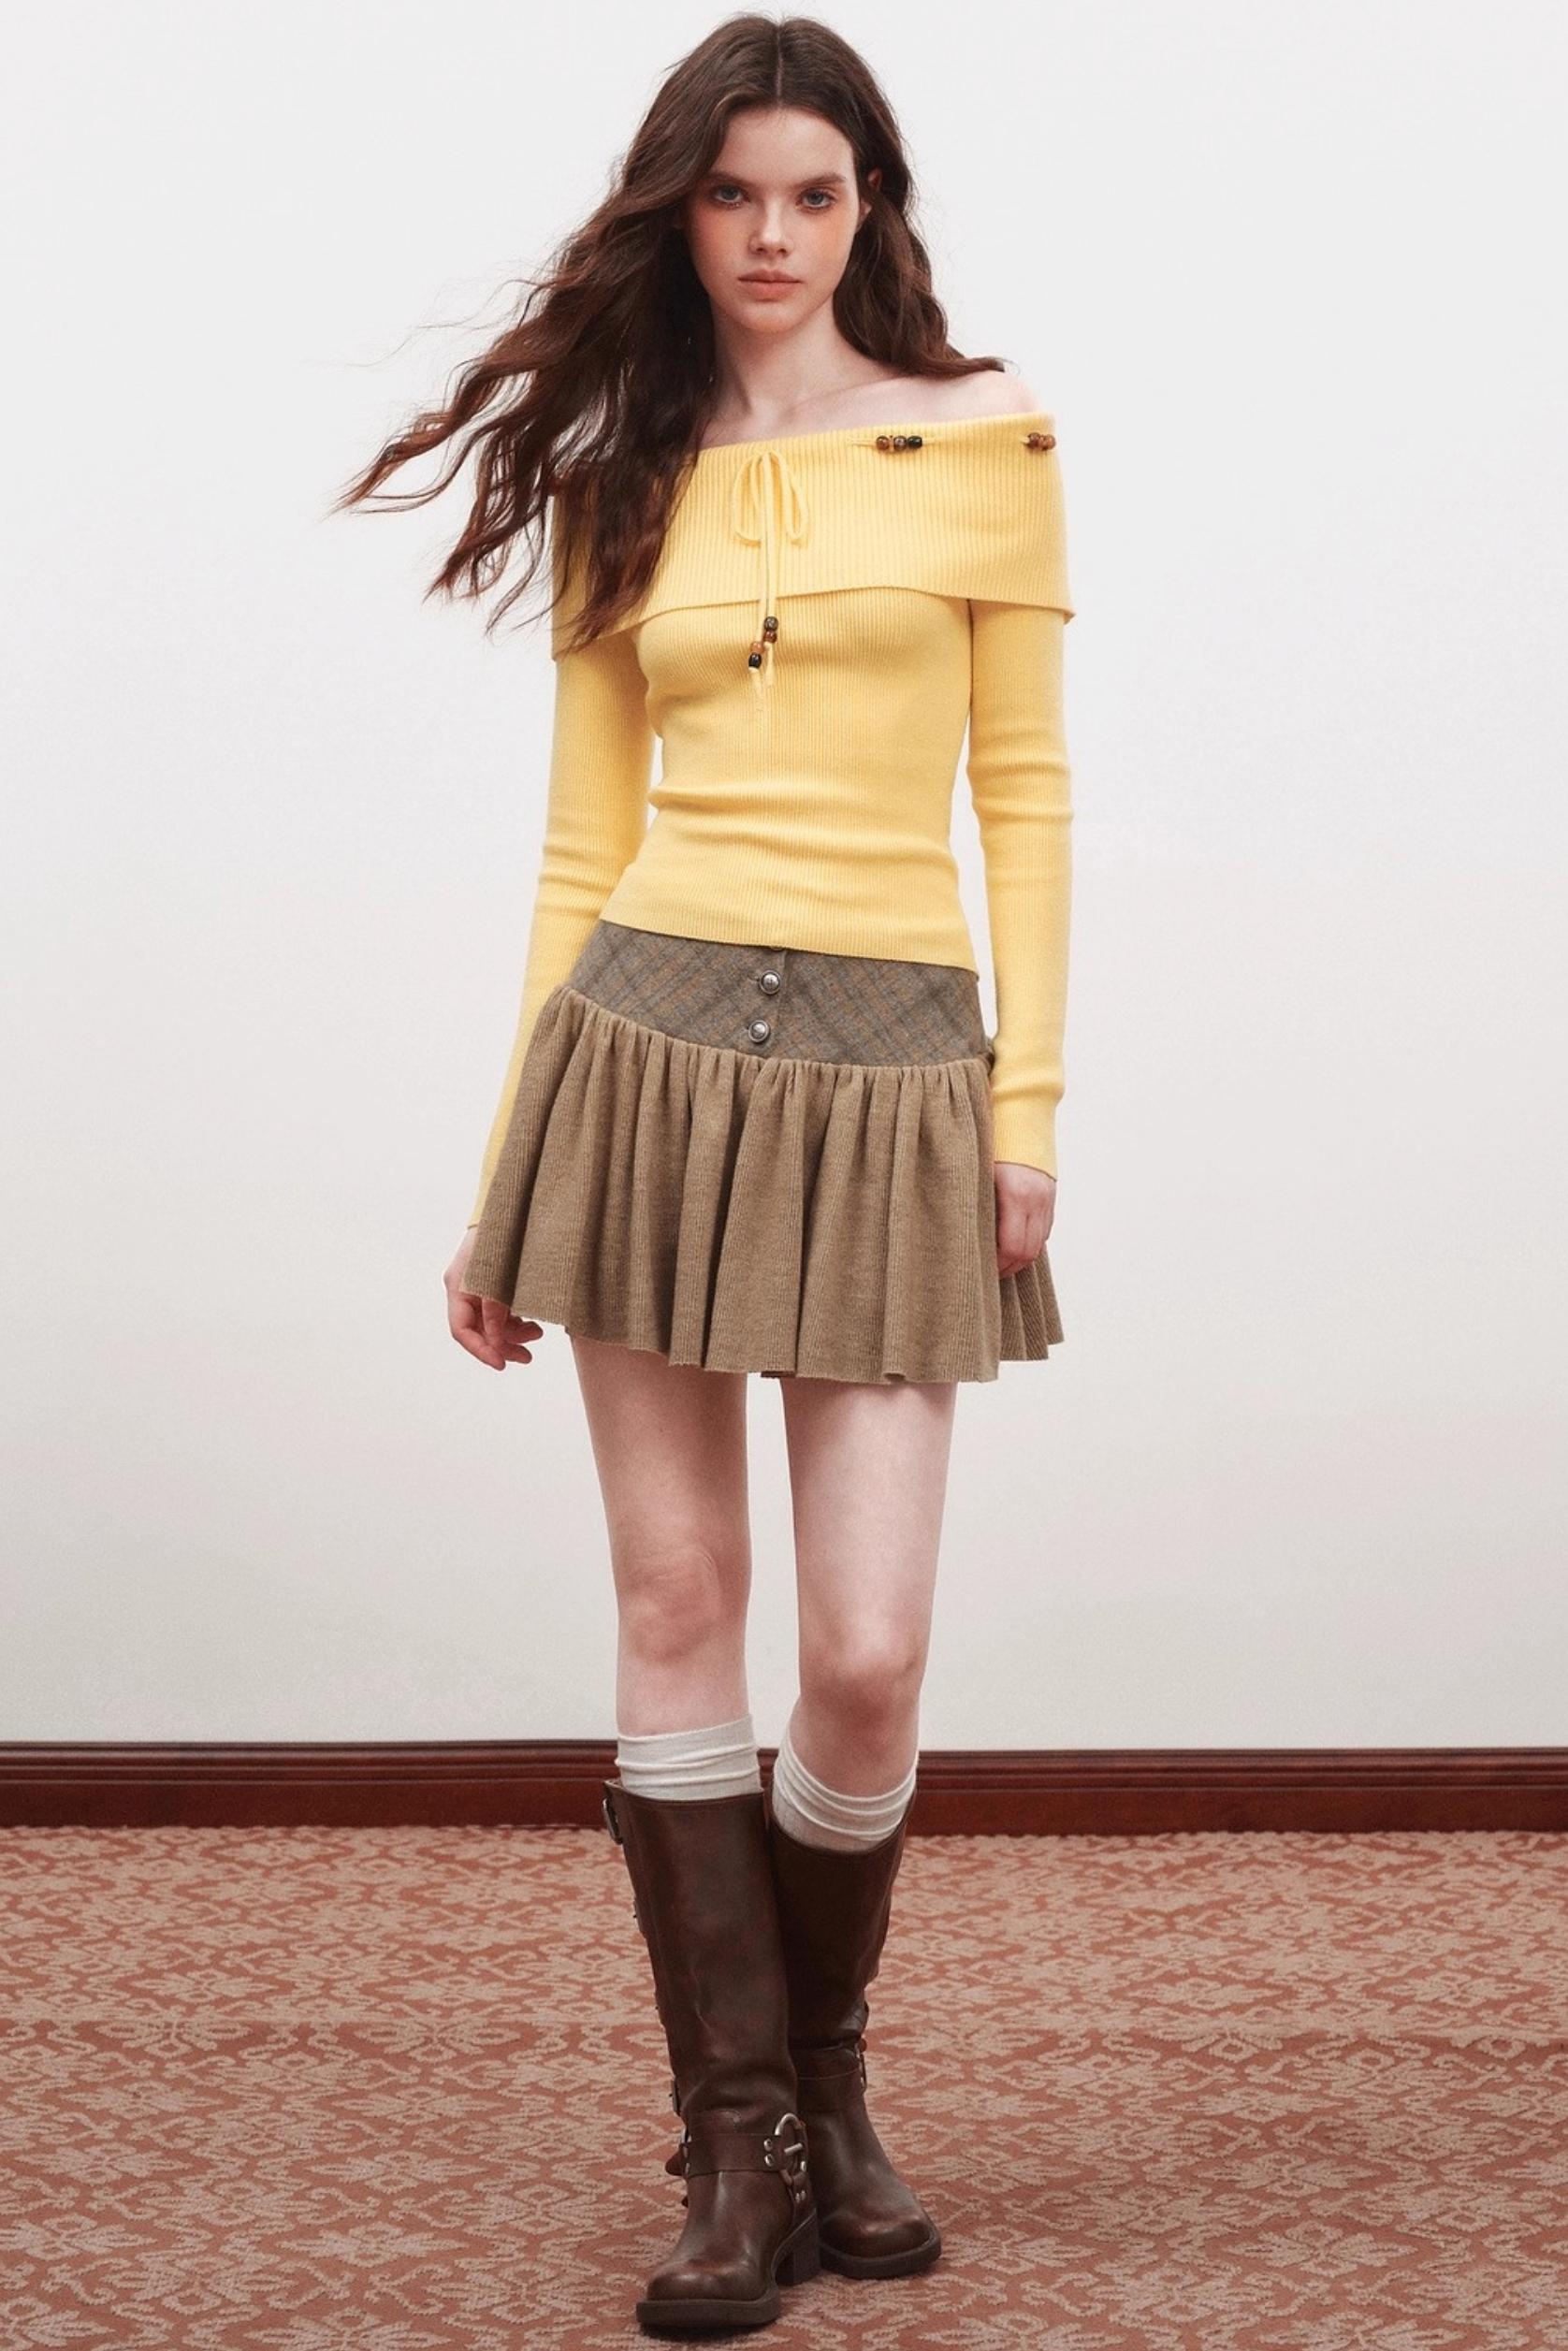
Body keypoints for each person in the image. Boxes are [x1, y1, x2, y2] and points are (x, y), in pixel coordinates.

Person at [338, 14, 1074, 2333]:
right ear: (680, 215)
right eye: (733, 196)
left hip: (890, 1067)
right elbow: (581, 846)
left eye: (812, 195)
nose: (772, 237)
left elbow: (1023, 794)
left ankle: (824, 2080)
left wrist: (1026, 1113)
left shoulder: (981, 434)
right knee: (678, 1606)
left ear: (871, 209)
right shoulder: (620, 476)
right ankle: (741, 2143)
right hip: (642, 1056)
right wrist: (504, 1177)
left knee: (863, 1653)